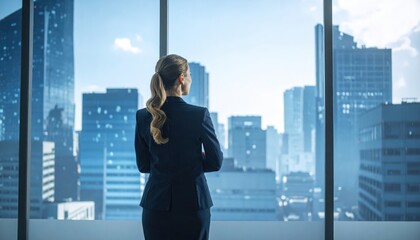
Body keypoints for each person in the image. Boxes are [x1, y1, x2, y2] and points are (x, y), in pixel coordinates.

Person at [134, 54, 223, 240]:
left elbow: (143, 165)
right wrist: (192, 163)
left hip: (155, 206)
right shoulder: (199, 115)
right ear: (182, 78)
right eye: (189, 74)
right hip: (193, 206)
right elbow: (215, 162)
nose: (190, 79)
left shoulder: (143, 116)